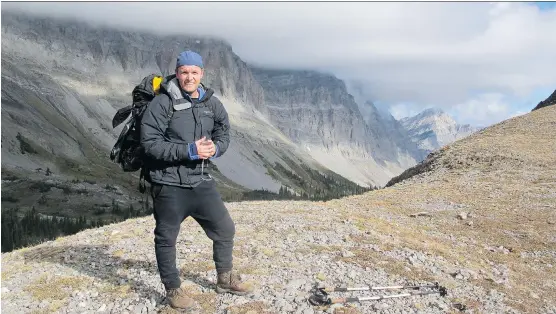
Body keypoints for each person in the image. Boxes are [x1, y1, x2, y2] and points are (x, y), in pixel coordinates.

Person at [140, 50, 253, 310]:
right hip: (168, 182)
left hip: (200, 180)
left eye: (194, 72)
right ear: (177, 73)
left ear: (202, 73)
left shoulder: (211, 103)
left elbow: (223, 131)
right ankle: (173, 290)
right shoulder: (162, 103)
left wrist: (217, 148)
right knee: (166, 238)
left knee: (225, 229)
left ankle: (224, 278)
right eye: (184, 72)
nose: (189, 77)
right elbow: (150, 144)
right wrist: (189, 150)